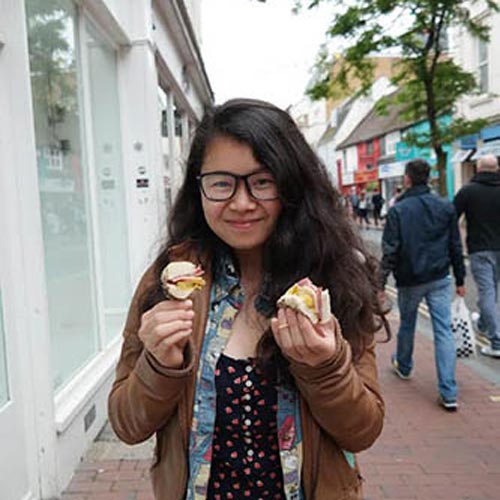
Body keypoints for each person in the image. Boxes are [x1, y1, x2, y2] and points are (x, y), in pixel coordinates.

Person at [108, 99, 386, 500]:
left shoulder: (332, 281)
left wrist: (325, 369)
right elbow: (127, 425)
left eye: (263, 182)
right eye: (222, 183)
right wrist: (159, 365)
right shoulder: (169, 281)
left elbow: (362, 432)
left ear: (292, 186)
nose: (241, 203)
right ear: (198, 188)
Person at [380, 159, 466, 411]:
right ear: (428, 178)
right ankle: (448, 392)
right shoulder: (445, 206)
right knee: (443, 331)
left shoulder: (398, 210)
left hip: (410, 279)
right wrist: (460, 279)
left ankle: (404, 366)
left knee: (407, 324)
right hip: (440, 277)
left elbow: (390, 251)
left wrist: (380, 282)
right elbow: (455, 245)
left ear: (407, 179)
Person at [454, 154, 500, 358]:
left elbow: (451, 217)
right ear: (496, 169)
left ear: (478, 168)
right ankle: (483, 323)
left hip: (480, 248)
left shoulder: (468, 191)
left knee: (487, 291)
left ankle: (496, 341)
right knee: (491, 290)